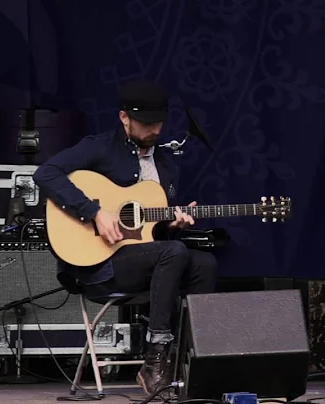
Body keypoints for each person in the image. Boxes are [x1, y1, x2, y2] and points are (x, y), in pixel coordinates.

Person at [33, 80, 218, 395]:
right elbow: (45, 174)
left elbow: (150, 229)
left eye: (158, 123)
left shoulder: (166, 164)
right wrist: (94, 212)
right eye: (146, 124)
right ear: (124, 118)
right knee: (172, 253)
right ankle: (154, 359)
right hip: (99, 266)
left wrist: (173, 222)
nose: (154, 130)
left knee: (205, 263)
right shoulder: (99, 147)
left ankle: (187, 361)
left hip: (145, 262)